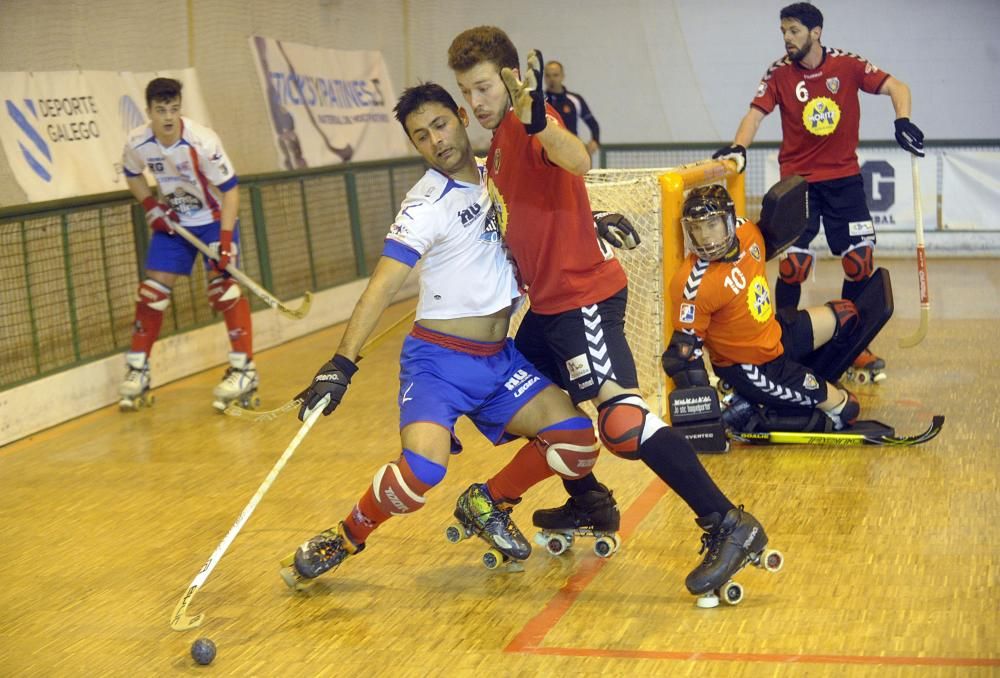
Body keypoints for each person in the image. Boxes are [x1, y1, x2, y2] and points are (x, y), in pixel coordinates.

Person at [448, 26, 774, 598]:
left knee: (621, 423)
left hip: (581, 299)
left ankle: (728, 524)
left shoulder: (528, 128)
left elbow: (573, 158)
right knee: (512, 400)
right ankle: (589, 502)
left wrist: (538, 118)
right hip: (547, 309)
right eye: (465, 90)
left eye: (482, 88)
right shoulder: (497, 141)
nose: (475, 101)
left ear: (508, 81)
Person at [279, 83, 606, 585]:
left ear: (460, 116)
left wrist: (596, 220)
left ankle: (487, 503)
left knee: (577, 441)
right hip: (439, 363)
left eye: (440, 125)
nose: (435, 140)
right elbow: (381, 287)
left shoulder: (495, 171)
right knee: (421, 471)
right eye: (420, 136)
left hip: (499, 360)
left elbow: (541, 219)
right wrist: (341, 363)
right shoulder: (424, 204)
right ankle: (345, 535)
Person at [713, 2, 925, 381]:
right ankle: (780, 343)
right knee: (794, 266)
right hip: (798, 183)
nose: (787, 38)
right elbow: (755, 114)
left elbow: (897, 86)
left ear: (816, 32)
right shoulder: (778, 73)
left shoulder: (846, 65)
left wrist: (903, 119)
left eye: (793, 30)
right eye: (783, 31)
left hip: (844, 179)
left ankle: (852, 344)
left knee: (859, 261)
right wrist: (738, 147)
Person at [663, 184, 861, 435]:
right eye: (696, 228)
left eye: (712, 225)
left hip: (774, 333)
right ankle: (752, 403)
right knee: (847, 409)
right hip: (752, 366)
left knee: (846, 314)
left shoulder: (747, 232)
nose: (704, 237)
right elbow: (682, 357)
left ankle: (803, 385)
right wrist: (706, 423)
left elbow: (777, 235)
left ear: (730, 220)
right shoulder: (691, 284)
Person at [119, 77, 256, 412]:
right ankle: (138, 369)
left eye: (174, 109)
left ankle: (244, 371)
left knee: (224, 290)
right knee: (152, 292)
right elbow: (131, 173)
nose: (168, 117)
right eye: (161, 110)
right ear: (149, 110)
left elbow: (231, 190)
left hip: (212, 223)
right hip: (173, 226)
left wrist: (225, 241)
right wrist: (150, 206)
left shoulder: (202, 141)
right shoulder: (138, 142)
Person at [543, 60, 601, 155]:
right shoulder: (538, 101)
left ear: (563, 76)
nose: (552, 79)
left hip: (570, 153)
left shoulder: (575, 100)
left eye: (555, 75)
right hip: (546, 153)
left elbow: (593, 124)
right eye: (548, 76)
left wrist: (595, 141)